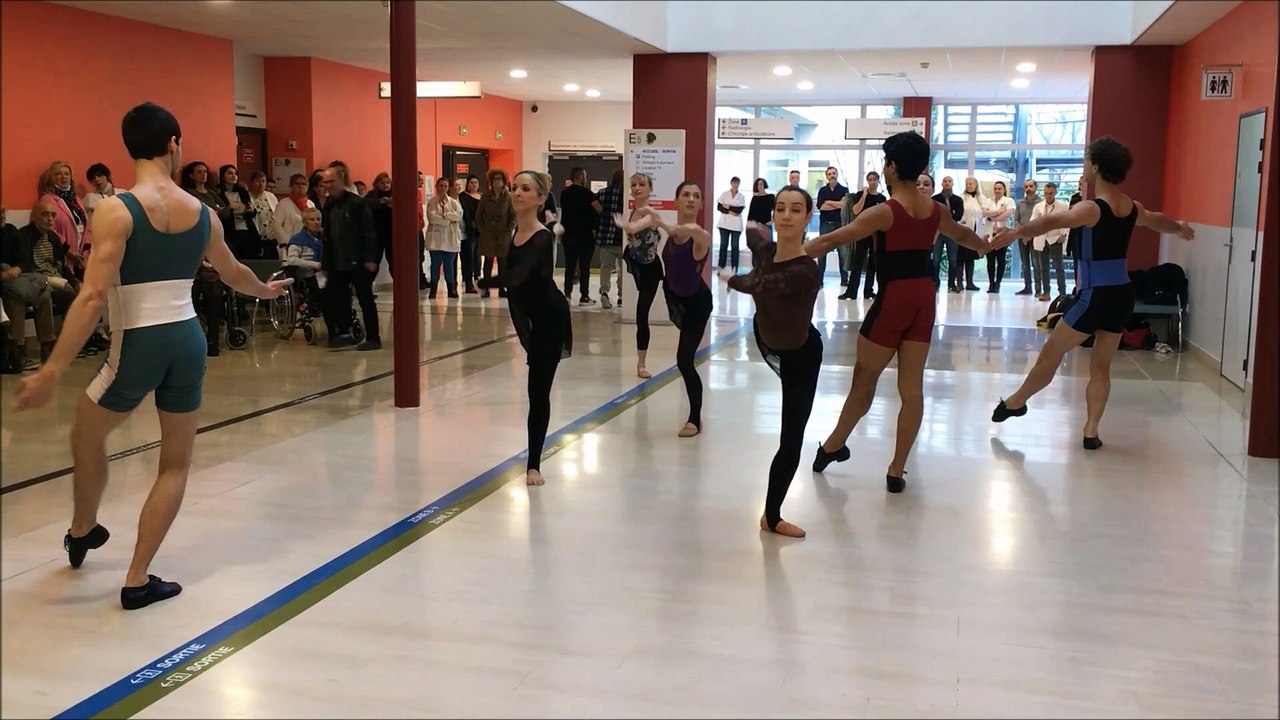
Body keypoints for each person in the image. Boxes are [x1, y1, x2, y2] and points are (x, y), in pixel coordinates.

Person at [11, 102, 290, 610]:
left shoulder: (116, 209)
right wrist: (266, 294)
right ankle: (137, 578)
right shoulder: (204, 213)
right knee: (175, 465)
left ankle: (82, 526)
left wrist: (51, 369)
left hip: (138, 343)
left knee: (85, 433)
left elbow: (93, 297)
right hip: (188, 340)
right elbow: (231, 273)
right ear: (173, 145)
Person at [804, 131, 987, 493]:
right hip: (924, 297)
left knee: (864, 379)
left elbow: (831, 240)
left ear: (890, 166)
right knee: (912, 388)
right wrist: (985, 245)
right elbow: (964, 236)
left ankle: (834, 444)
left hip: (894, 300)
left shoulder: (884, 212)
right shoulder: (936, 210)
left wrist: (785, 255)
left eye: (884, 163)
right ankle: (896, 469)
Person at [990, 137, 1195, 449]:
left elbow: (1052, 220)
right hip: (1121, 295)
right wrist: (1179, 227)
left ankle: (1018, 401)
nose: (1084, 165)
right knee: (1101, 365)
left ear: (1097, 166)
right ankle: (1091, 430)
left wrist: (1017, 232)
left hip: (1094, 297)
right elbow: (1156, 221)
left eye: (1087, 160)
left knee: (1050, 354)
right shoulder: (1130, 206)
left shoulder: (1091, 208)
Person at [720, 188, 822, 538]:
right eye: (780, 208)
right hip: (766, 339)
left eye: (796, 210)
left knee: (791, 437)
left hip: (801, 357)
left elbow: (762, 283)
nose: (787, 215)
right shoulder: (765, 251)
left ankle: (772, 516)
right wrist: (750, 222)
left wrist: (730, 279)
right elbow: (754, 238)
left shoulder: (807, 270)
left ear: (809, 218)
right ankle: (772, 515)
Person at [478, 171, 571, 486]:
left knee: (537, 391)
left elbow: (518, 278)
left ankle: (534, 465)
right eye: (515, 187)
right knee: (535, 389)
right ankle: (533, 460)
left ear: (540, 198)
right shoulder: (516, 232)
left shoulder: (542, 237)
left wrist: (484, 282)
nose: (517, 193)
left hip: (549, 320)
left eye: (525, 189)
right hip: (533, 316)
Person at [627, 181, 713, 437]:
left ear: (700, 203)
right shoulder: (672, 231)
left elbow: (701, 236)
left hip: (696, 305)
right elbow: (638, 226)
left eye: (696, 195)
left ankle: (695, 419)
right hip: (674, 298)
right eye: (685, 194)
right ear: (676, 201)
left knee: (684, 361)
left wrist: (664, 223)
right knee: (683, 359)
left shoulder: (699, 235)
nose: (691, 199)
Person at [613, 172, 664, 379]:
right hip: (636, 264)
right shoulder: (633, 211)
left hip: (650, 269)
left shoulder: (650, 214)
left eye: (641, 184)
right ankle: (640, 362)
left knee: (641, 316)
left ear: (649, 189)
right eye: (633, 184)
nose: (636, 188)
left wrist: (624, 225)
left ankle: (641, 364)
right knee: (639, 316)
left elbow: (635, 228)